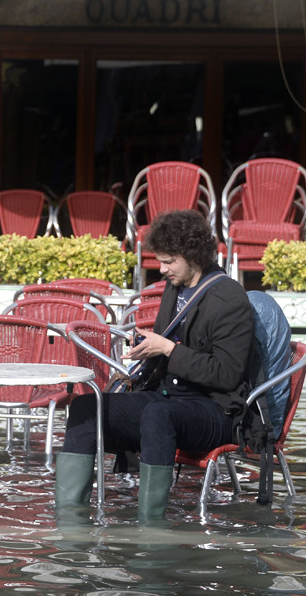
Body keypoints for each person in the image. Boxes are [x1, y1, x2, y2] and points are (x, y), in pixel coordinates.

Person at [55, 209, 257, 520]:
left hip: (215, 410)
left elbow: (227, 374)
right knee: (85, 407)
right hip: (166, 397)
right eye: (159, 261)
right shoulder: (174, 288)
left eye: (168, 261)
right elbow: (166, 347)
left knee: (158, 414)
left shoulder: (230, 299)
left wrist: (168, 349)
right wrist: (147, 347)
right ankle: (69, 519)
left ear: (193, 255)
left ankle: (150, 525)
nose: (161, 269)